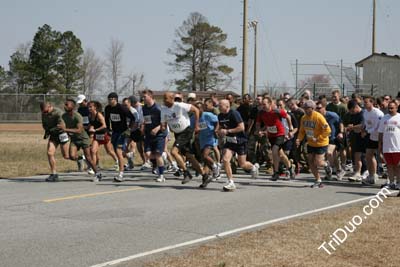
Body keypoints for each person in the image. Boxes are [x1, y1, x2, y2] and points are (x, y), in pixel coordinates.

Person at [161, 92, 209, 184]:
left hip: (186, 131)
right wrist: (164, 126)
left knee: (174, 152)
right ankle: (204, 175)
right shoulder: (163, 109)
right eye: (163, 99)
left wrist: (196, 125)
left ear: (172, 99)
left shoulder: (179, 105)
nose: (164, 101)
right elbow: (163, 122)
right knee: (189, 156)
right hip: (177, 134)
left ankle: (186, 173)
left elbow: (196, 110)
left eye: (166, 98)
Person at [217, 99, 259, 191]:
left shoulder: (234, 114)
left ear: (227, 106)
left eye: (220, 105)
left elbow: (241, 127)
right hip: (230, 141)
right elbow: (221, 126)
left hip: (240, 141)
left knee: (242, 164)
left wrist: (228, 131)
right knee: (225, 159)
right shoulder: (220, 116)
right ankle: (231, 182)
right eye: (218, 105)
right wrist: (219, 131)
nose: (219, 107)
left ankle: (253, 167)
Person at [59, 99, 102, 182]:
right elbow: (64, 126)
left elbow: (79, 130)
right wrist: (64, 131)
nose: (65, 106)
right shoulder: (64, 116)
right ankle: (81, 158)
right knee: (71, 156)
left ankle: (97, 174)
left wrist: (65, 129)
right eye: (65, 104)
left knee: (89, 158)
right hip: (74, 139)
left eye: (67, 104)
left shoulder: (77, 116)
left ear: (72, 106)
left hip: (83, 138)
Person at [256, 97, 295, 181]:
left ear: (270, 104)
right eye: (262, 104)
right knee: (281, 155)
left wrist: (290, 127)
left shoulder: (276, 111)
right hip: (271, 135)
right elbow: (258, 123)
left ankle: (276, 172)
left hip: (280, 134)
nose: (263, 106)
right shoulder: (261, 113)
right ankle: (290, 167)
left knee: (274, 150)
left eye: (264, 104)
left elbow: (287, 117)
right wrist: (259, 130)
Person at [296, 100, 331, 188]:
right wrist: (298, 139)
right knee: (310, 161)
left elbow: (327, 130)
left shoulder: (318, 117)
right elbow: (302, 131)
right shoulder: (303, 118)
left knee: (318, 162)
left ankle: (326, 165)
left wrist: (318, 138)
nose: (305, 110)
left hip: (321, 143)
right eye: (304, 108)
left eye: (307, 108)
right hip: (311, 143)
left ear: (312, 108)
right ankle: (318, 180)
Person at [104, 92, 135, 182]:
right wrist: (107, 129)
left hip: (123, 132)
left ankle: (121, 174)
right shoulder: (107, 108)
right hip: (114, 132)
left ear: (115, 99)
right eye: (108, 99)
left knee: (118, 152)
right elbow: (107, 119)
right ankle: (129, 156)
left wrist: (129, 130)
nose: (110, 101)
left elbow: (133, 118)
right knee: (119, 151)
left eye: (111, 99)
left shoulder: (121, 108)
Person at [141, 89, 167, 182]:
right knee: (148, 154)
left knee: (157, 155)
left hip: (159, 135)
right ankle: (162, 157)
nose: (143, 98)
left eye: (144, 97)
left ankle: (161, 175)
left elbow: (164, 121)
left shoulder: (158, 108)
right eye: (142, 97)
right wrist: (143, 127)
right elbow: (146, 119)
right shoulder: (144, 108)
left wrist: (157, 128)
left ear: (150, 97)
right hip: (148, 134)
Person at [315, 101, 345, 180]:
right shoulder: (316, 116)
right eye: (316, 108)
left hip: (333, 138)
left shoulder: (332, 115)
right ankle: (336, 170)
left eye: (319, 108)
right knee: (333, 156)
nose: (317, 110)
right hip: (322, 139)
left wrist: (341, 132)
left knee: (329, 153)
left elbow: (341, 122)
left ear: (324, 108)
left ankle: (332, 170)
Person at [40, 102, 70, 182]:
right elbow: (44, 124)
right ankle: (54, 174)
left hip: (62, 134)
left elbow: (61, 126)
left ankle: (81, 158)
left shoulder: (59, 113)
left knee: (66, 156)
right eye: (43, 112)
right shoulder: (44, 114)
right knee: (50, 153)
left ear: (50, 107)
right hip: (53, 135)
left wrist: (50, 130)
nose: (45, 113)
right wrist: (47, 131)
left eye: (46, 111)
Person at [87, 101, 118, 172]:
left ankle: (117, 161)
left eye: (91, 107)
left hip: (104, 135)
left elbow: (104, 125)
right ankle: (93, 168)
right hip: (97, 136)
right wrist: (88, 128)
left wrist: (95, 129)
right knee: (93, 151)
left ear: (95, 107)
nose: (89, 108)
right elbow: (91, 124)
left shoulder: (99, 115)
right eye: (88, 107)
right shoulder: (90, 115)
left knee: (109, 151)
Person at [196, 100, 220, 188]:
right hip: (202, 140)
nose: (198, 110)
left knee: (205, 156)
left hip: (210, 138)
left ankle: (215, 167)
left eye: (200, 108)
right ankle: (206, 180)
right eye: (196, 108)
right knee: (205, 160)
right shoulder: (194, 118)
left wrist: (216, 130)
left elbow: (218, 121)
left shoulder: (208, 115)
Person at [378, 100, 400, 193]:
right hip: (387, 147)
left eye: (392, 108)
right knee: (390, 166)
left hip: (397, 147)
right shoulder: (384, 118)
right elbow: (381, 132)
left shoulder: (399, 117)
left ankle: (399, 182)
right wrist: (380, 145)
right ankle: (391, 182)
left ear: (396, 108)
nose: (390, 109)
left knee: (398, 166)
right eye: (389, 108)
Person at [362, 96, 384, 184]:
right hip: (370, 137)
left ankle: (393, 176)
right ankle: (372, 175)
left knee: (382, 157)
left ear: (372, 103)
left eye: (366, 102)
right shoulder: (365, 112)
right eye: (364, 102)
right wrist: (363, 130)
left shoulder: (378, 113)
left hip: (379, 137)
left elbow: (378, 127)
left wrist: (367, 131)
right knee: (368, 156)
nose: (364, 104)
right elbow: (366, 124)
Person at [344, 100, 367, 182]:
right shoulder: (352, 114)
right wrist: (350, 127)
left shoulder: (363, 114)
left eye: (352, 111)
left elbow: (362, 125)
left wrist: (352, 127)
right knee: (357, 156)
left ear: (356, 107)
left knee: (361, 156)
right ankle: (358, 172)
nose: (352, 113)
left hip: (363, 138)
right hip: (355, 137)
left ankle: (362, 172)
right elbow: (350, 124)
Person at [76, 94, 90, 172]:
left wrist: (89, 127)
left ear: (85, 101)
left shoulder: (90, 108)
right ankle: (86, 162)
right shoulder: (80, 110)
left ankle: (93, 165)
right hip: (82, 130)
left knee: (90, 148)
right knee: (86, 147)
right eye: (79, 103)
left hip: (90, 129)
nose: (80, 104)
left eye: (81, 103)